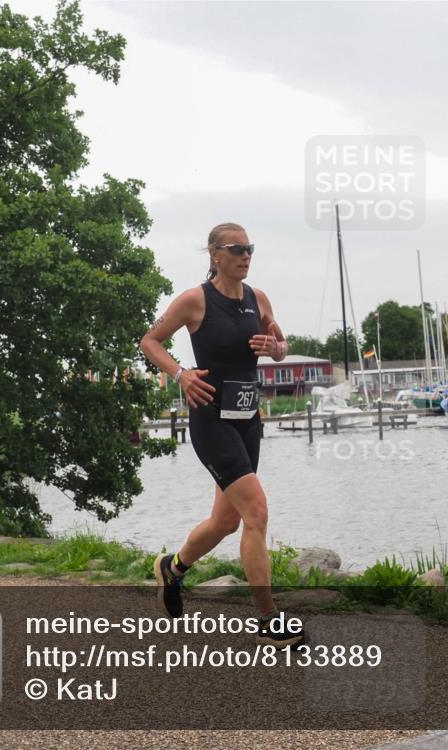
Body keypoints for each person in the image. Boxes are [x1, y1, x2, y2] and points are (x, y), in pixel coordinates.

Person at [139, 222, 304, 648]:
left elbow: (281, 344)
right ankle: (268, 619)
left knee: (226, 521)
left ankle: (172, 568)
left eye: (250, 248)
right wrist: (181, 374)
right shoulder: (195, 300)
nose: (246, 256)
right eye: (237, 249)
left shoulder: (257, 298)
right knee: (256, 512)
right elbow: (150, 341)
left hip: (247, 418)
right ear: (215, 254)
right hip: (211, 417)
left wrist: (277, 350)